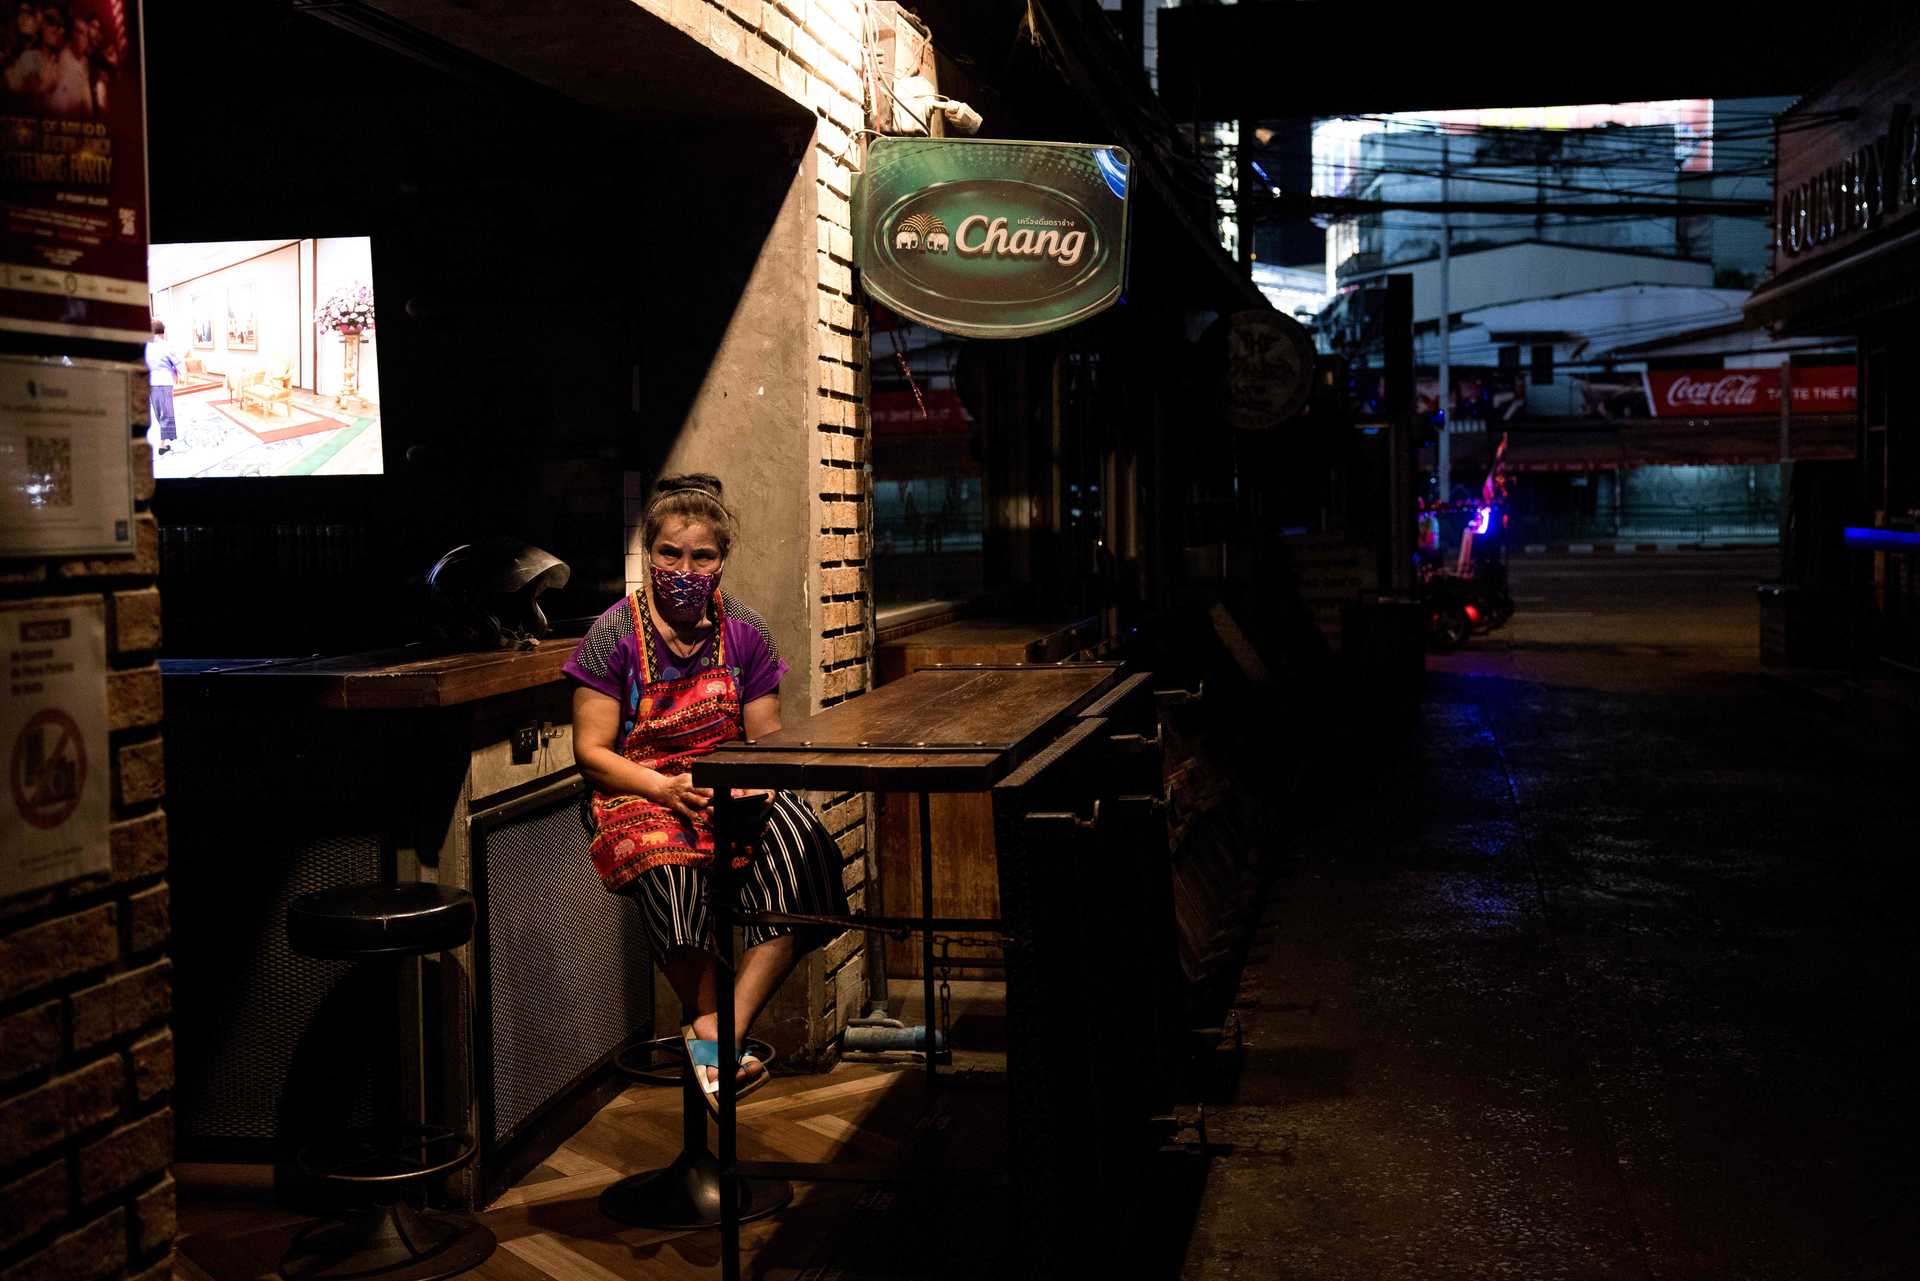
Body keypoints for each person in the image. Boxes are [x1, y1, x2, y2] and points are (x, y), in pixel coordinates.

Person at [567, 474, 849, 1108]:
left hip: (727, 784)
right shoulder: (612, 636)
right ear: (649, 553)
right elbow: (592, 753)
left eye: (702, 556)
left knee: (801, 848)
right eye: (669, 553)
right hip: (639, 789)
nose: (684, 569)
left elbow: (765, 739)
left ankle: (723, 1033)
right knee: (666, 865)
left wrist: (754, 783)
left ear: (723, 559)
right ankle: (707, 1024)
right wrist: (664, 789)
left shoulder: (745, 630)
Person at [145, 319, 181, 456]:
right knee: (166, 414)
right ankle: (162, 445)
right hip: (164, 382)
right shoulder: (166, 346)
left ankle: (165, 438)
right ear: (163, 331)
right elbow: (178, 362)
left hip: (151, 383)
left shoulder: (146, 346)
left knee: (159, 412)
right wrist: (181, 373)